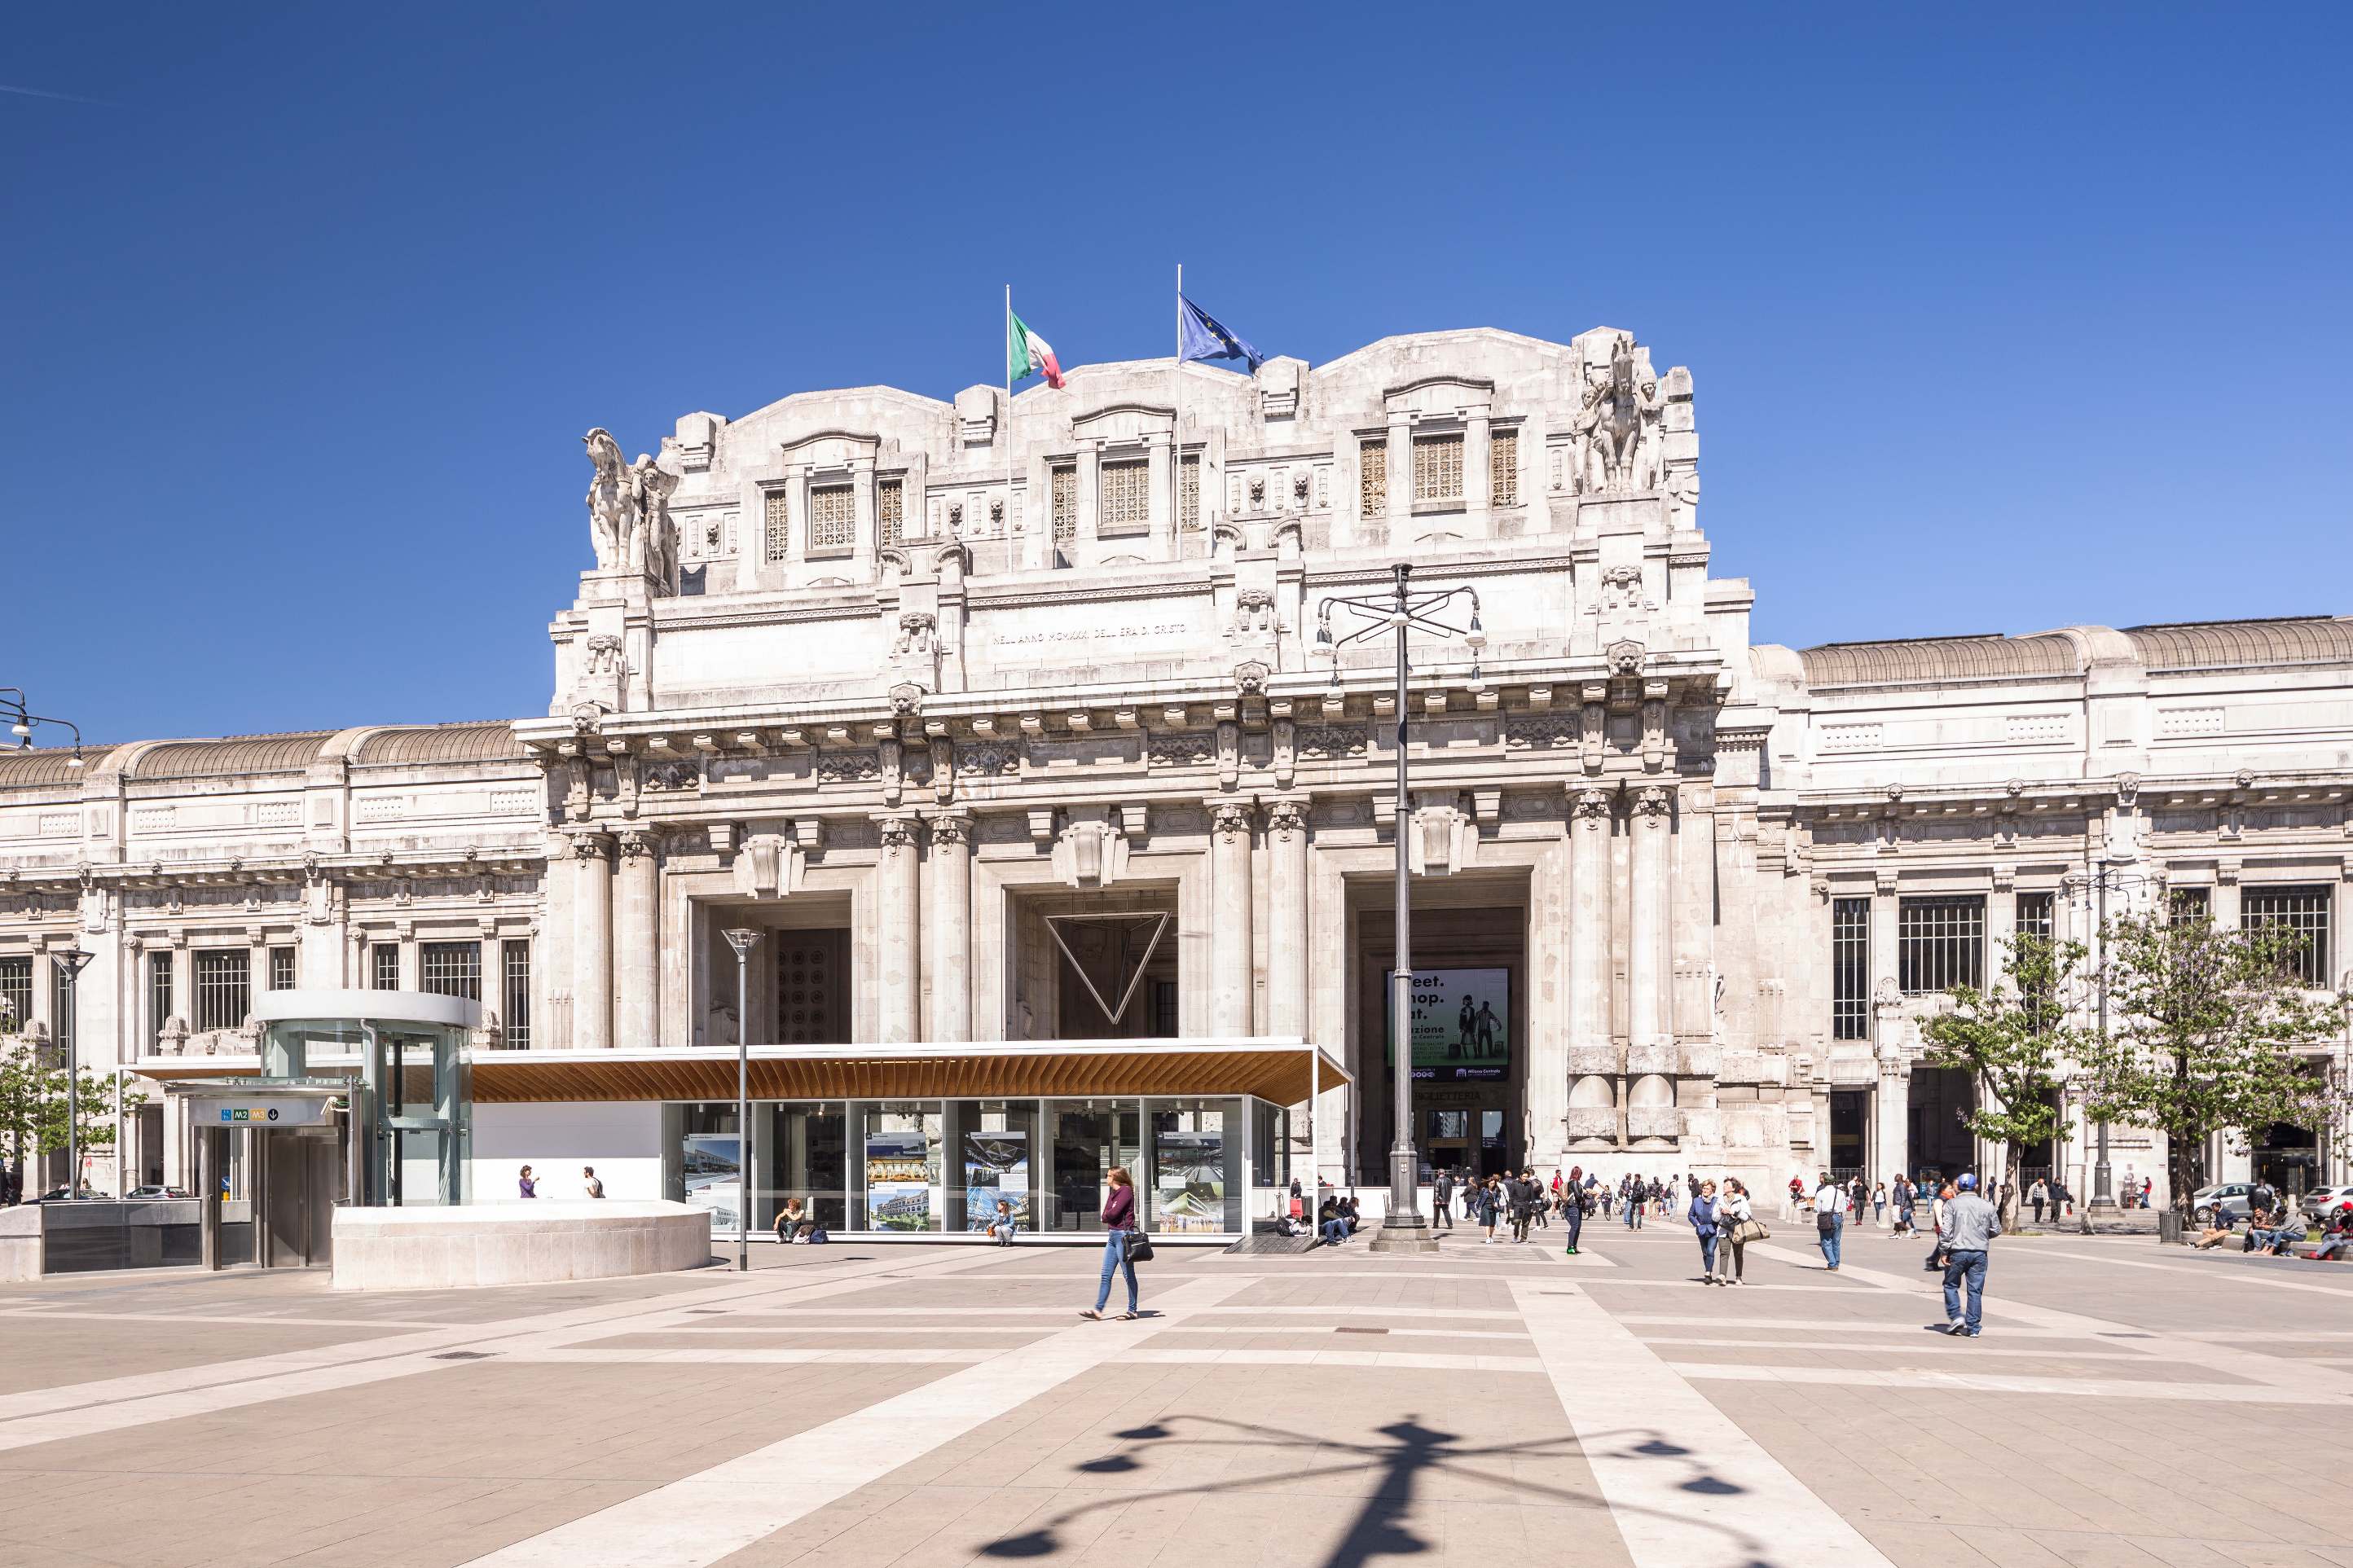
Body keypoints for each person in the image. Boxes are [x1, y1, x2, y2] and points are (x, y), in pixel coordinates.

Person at [1938, 1172, 2001, 1336]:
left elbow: (1946, 1231)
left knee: (1951, 1285)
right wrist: (1982, 1236)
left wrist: (1944, 1251)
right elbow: (1996, 1229)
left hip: (1957, 1251)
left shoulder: (1951, 1204)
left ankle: (1956, 1316)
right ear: (1977, 1186)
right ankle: (1973, 1327)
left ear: (1958, 1186)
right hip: (1979, 1252)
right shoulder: (1987, 1205)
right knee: (1975, 1290)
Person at [1080, 1166, 1141, 1320]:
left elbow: (1112, 1213)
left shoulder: (1125, 1191)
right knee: (1106, 1275)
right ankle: (1098, 1310)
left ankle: (1132, 1310)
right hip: (1112, 1236)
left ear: (1115, 1177)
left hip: (1123, 1236)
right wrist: (1109, 1213)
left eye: (1108, 1175)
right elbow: (1105, 1215)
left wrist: (1109, 1213)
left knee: (1128, 1274)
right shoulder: (1113, 1193)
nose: (1106, 1177)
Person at [1719, 1179, 1754, 1284]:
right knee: (1724, 1253)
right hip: (1723, 1230)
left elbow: (1747, 1216)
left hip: (1737, 1230)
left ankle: (1738, 1277)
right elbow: (1714, 1217)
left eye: (1727, 1184)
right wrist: (1721, 1213)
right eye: (1724, 1184)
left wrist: (1733, 1212)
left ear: (1733, 1188)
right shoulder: (1720, 1199)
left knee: (1738, 1254)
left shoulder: (1741, 1199)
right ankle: (1722, 1276)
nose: (1724, 1186)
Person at [1689, 1179, 1724, 1284]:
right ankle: (1708, 1269)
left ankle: (1708, 1273)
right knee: (1705, 1253)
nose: (1705, 1190)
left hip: (1713, 1230)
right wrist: (1697, 1224)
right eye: (1704, 1188)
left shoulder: (1717, 1201)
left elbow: (1721, 1214)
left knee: (1710, 1251)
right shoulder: (1696, 1201)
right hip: (1702, 1230)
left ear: (1712, 1190)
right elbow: (1690, 1215)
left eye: (1707, 1188)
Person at [1812, 1170, 1848, 1270]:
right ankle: (1836, 1263)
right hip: (1838, 1217)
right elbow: (1844, 1209)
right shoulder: (1840, 1193)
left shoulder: (1820, 1193)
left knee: (1825, 1241)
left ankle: (1832, 1263)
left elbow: (1818, 1209)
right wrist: (1842, 1219)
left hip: (1825, 1217)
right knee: (1836, 1242)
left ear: (1825, 1182)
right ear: (1833, 1182)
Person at [1563, 1164, 1586, 1256]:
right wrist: (1584, 1199)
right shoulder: (1574, 1182)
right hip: (1573, 1206)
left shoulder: (1573, 1182)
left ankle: (1574, 1246)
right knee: (1575, 1227)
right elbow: (1577, 1195)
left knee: (1577, 1227)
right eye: (1581, 1173)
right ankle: (1569, 1247)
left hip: (1576, 1206)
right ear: (1578, 1173)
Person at [1432, 1167, 1455, 1231]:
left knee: (1436, 1213)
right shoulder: (1449, 1180)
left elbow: (1436, 1191)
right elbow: (1450, 1191)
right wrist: (1449, 1200)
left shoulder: (1437, 1180)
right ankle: (1450, 1224)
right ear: (1444, 1173)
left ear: (1438, 1173)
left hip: (1439, 1200)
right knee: (1446, 1212)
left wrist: (1436, 1200)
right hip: (1446, 1200)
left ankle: (1436, 1224)